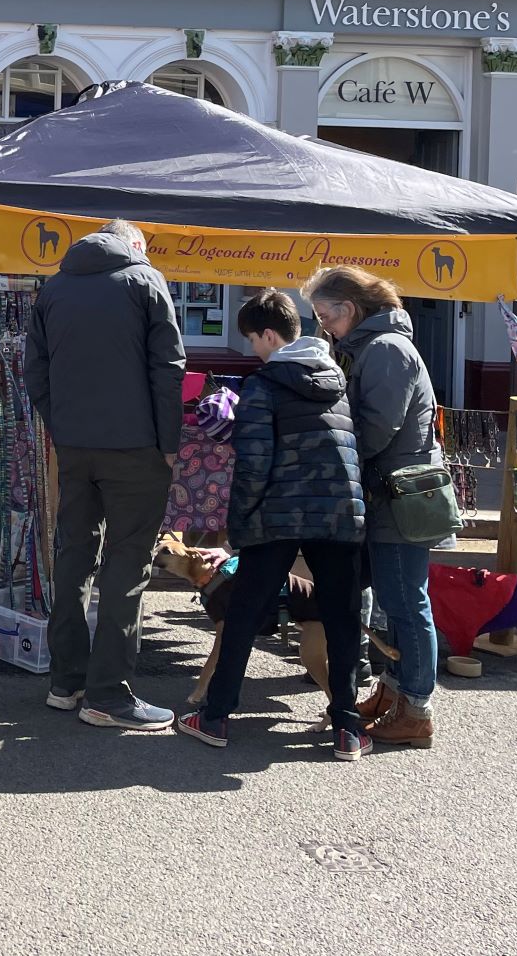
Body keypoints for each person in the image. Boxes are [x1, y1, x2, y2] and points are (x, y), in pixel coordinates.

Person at [176, 289, 368, 760]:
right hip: (338, 511)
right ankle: (347, 727)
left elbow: (253, 462)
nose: (252, 350)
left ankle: (216, 716)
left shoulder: (263, 385)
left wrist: (238, 529)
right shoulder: (339, 379)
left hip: (275, 513)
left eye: (253, 340)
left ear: (268, 334)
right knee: (342, 617)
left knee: (243, 613)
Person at [22, 219, 187, 731]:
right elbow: (169, 367)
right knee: (126, 564)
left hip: (76, 446)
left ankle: (66, 682)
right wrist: (169, 444)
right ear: (136, 245)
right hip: (135, 447)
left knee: (74, 556)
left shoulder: (55, 287)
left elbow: (36, 369)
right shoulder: (145, 280)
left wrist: (61, 424)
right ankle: (108, 694)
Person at [303, 266, 440, 751]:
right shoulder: (379, 346)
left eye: (326, 317)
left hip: (400, 497)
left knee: (405, 602)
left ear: (350, 308)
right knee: (397, 600)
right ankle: (393, 692)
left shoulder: (384, 350)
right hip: (393, 493)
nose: (324, 327)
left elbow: (376, 428)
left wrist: (335, 455)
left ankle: (417, 710)